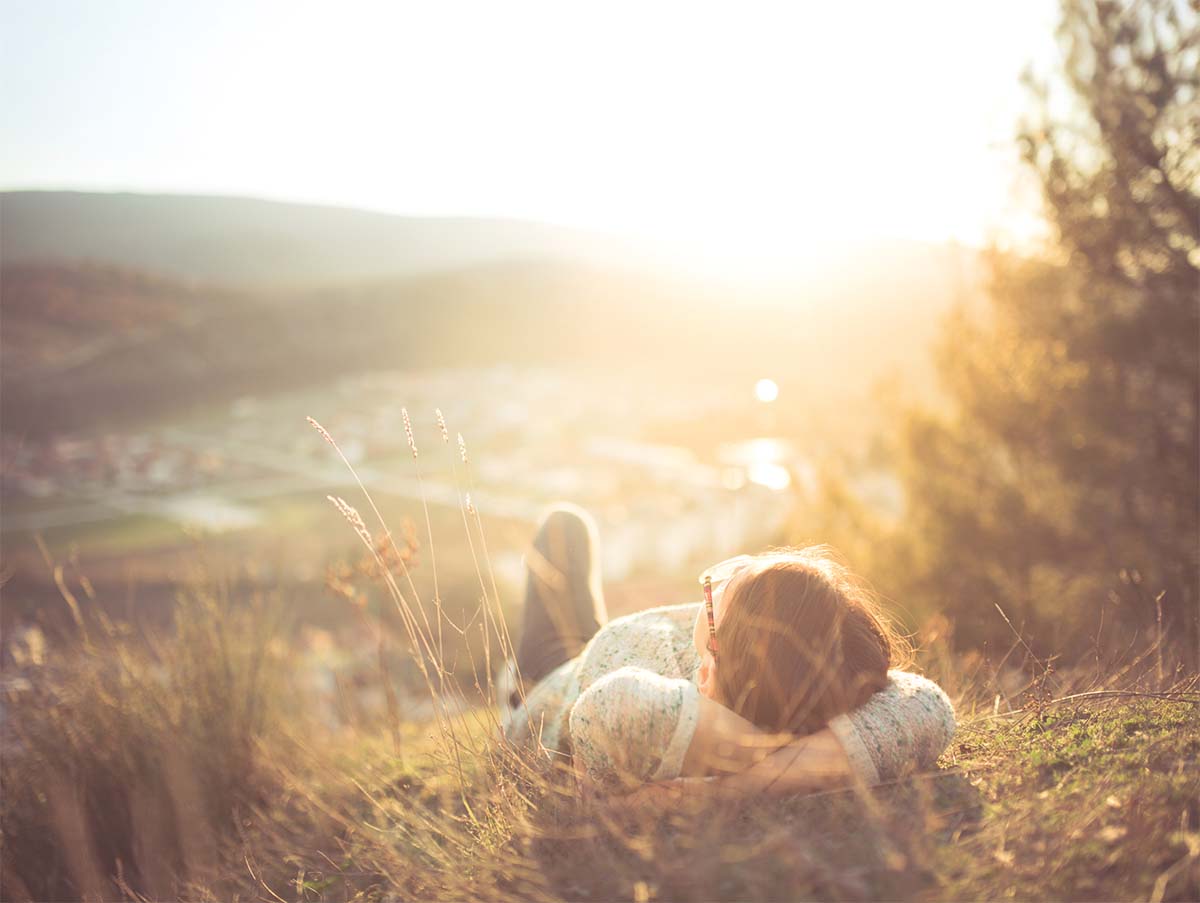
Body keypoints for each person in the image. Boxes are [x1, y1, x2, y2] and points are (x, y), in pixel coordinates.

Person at [502, 505, 956, 795]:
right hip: (590, 659)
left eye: (721, 593)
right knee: (569, 529)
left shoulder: (644, 700)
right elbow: (929, 708)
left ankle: (510, 691)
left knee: (562, 527)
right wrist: (767, 761)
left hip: (549, 685)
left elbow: (611, 705)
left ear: (708, 672)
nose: (711, 585)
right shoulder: (798, 685)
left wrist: (725, 790)